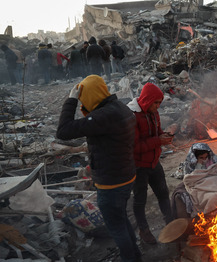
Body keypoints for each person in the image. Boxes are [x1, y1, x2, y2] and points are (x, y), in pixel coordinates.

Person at [56, 75, 141, 262]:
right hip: (126, 175)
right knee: (122, 219)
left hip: (111, 183)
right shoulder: (120, 107)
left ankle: (130, 258)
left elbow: (63, 131)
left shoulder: (103, 116)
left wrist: (71, 100)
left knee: (116, 227)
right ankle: (135, 254)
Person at [127, 82, 174, 244]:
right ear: (147, 100)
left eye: (160, 103)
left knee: (163, 192)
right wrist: (158, 141)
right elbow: (135, 147)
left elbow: (157, 132)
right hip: (139, 166)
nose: (158, 106)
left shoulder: (154, 113)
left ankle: (171, 224)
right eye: (155, 103)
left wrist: (164, 136)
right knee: (140, 199)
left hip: (154, 162)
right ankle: (144, 231)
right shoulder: (132, 116)